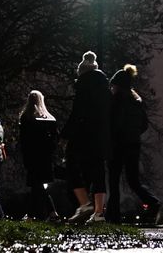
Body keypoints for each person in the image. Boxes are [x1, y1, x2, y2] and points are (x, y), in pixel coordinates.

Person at [106, 64, 163, 224]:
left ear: (117, 85)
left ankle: (113, 215)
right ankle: (154, 202)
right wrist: (133, 134)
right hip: (133, 144)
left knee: (113, 180)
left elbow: (115, 122)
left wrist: (112, 137)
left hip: (119, 143)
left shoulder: (117, 100)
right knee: (133, 180)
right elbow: (144, 124)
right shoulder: (136, 101)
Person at [61, 51, 112, 224]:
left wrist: (65, 133)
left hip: (83, 134)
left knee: (71, 165)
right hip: (101, 135)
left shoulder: (83, 84)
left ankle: (84, 203)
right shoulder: (105, 87)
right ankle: (98, 213)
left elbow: (78, 112)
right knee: (98, 171)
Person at [19, 90, 59, 220]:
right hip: (45, 157)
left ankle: (32, 215)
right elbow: (55, 140)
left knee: (36, 186)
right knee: (39, 186)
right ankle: (50, 213)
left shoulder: (26, 118)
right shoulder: (50, 119)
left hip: (32, 156)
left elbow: (24, 140)